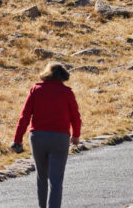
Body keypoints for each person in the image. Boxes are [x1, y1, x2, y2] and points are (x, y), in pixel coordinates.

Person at [11, 63, 81, 208]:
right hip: (60, 138)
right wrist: (76, 135)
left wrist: (17, 139)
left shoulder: (35, 90)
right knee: (55, 181)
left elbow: (24, 116)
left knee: (41, 178)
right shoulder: (67, 92)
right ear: (63, 76)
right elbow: (75, 117)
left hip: (38, 137)